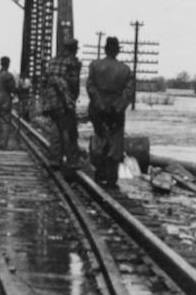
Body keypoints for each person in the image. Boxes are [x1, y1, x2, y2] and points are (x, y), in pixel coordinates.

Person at [86, 36, 135, 185]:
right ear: (117, 51)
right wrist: (117, 107)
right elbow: (129, 92)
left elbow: (90, 87)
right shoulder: (125, 69)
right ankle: (112, 176)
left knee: (100, 138)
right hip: (117, 112)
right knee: (115, 142)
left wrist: (100, 104)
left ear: (105, 49)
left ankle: (99, 173)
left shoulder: (94, 65)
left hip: (98, 110)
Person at [40, 37, 82, 167]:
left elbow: (44, 81)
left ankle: (54, 159)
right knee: (70, 131)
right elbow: (74, 83)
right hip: (64, 100)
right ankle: (72, 161)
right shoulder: (72, 62)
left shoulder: (52, 61)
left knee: (56, 129)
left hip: (50, 101)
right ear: (73, 49)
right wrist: (73, 98)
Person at [0, 56, 18, 149]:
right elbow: (12, 89)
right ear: (8, 64)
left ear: (0, 63)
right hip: (3, 101)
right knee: (5, 122)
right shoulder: (8, 75)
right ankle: (3, 145)